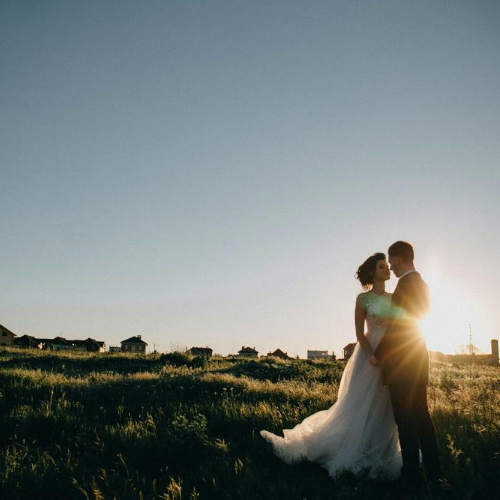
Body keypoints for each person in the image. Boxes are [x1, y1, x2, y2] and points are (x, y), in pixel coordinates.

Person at [260, 253, 401, 479]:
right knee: (359, 404)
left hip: (391, 353)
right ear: (373, 272)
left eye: (387, 266)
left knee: (386, 404)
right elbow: (359, 333)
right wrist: (371, 356)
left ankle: (382, 449)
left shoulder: (395, 297)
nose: (387, 270)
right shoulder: (362, 299)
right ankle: (354, 447)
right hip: (368, 356)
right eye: (382, 267)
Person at [373, 241, 440, 484]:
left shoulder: (404, 285)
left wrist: (378, 353)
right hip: (418, 359)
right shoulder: (422, 284)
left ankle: (410, 475)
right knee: (422, 417)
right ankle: (434, 472)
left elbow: (397, 326)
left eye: (391, 261)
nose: (391, 266)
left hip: (402, 364)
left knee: (405, 421)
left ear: (398, 259)